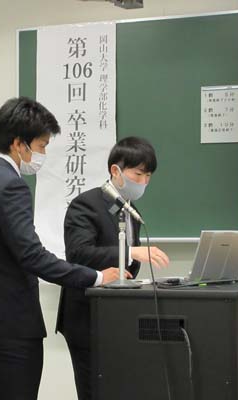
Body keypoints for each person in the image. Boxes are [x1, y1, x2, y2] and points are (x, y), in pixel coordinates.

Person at [0, 97, 124, 400]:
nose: (42, 154)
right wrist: (95, 277)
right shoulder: (11, 186)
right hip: (12, 325)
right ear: (19, 143)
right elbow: (32, 256)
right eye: (41, 146)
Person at [56, 136, 170, 400]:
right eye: (138, 174)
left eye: (148, 176)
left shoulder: (130, 209)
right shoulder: (87, 204)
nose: (143, 182)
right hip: (87, 317)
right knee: (93, 391)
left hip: (118, 317)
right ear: (115, 170)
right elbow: (78, 253)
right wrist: (130, 252)